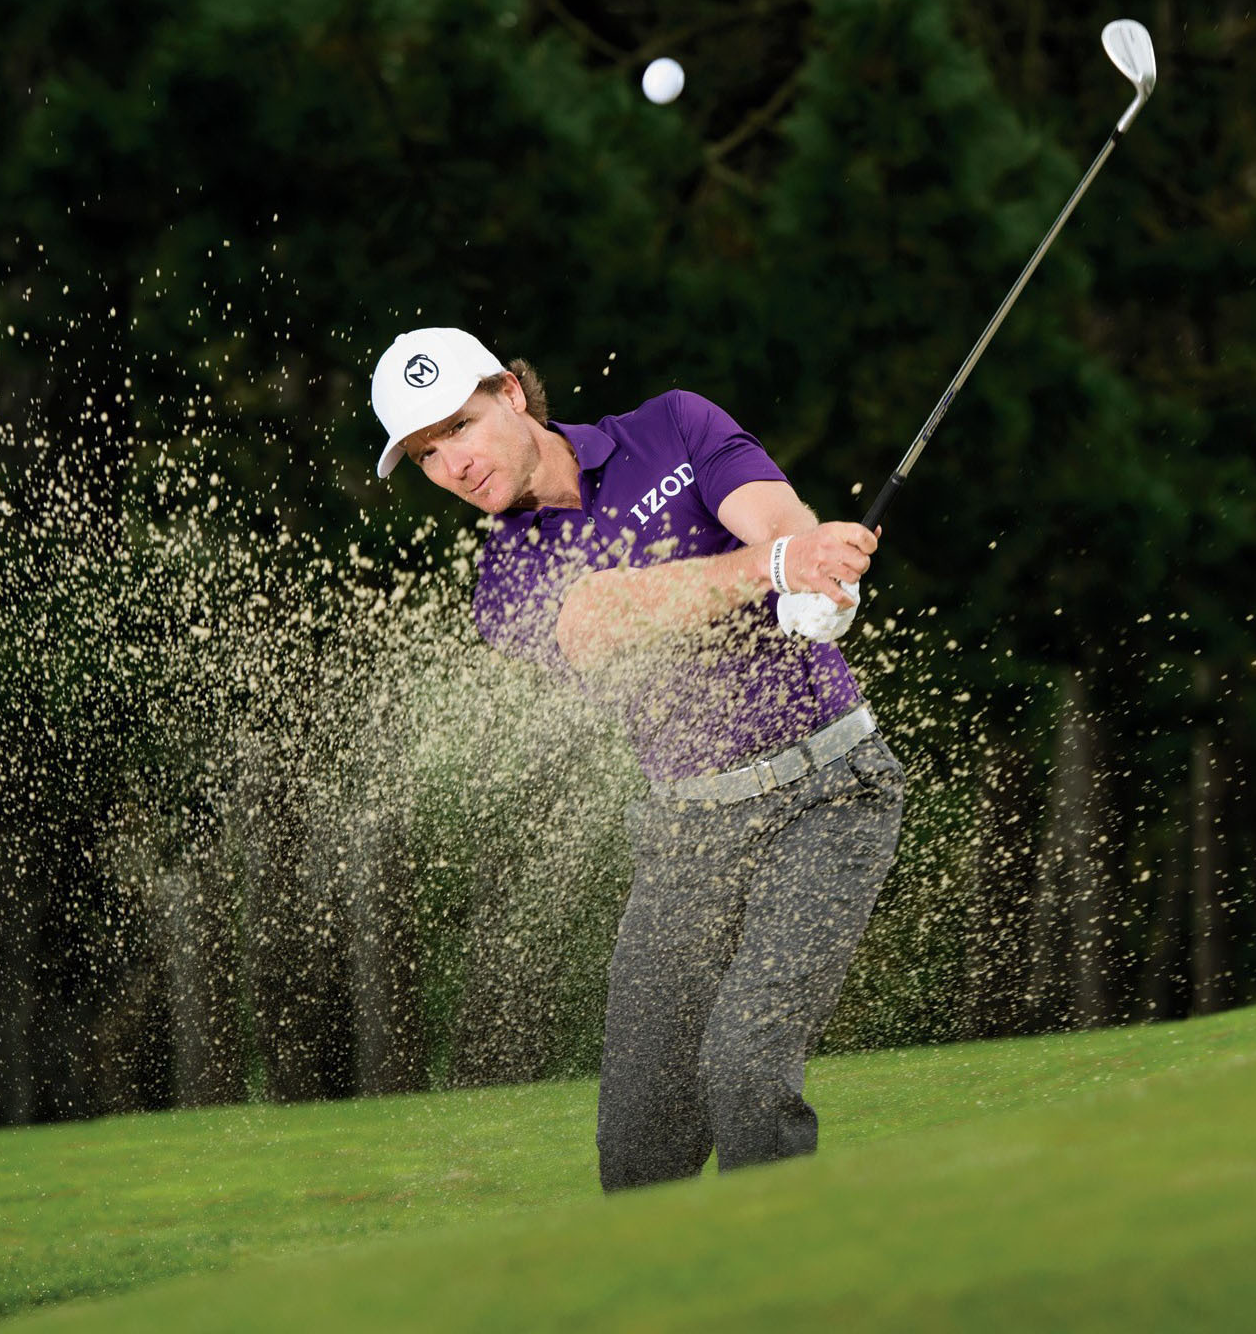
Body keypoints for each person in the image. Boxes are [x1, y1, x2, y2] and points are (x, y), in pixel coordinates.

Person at [369, 325, 904, 1192]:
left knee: (746, 1070)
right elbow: (603, 616)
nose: (453, 466)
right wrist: (772, 568)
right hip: (686, 833)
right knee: (639, 1139)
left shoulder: (672, 426)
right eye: (427, 455)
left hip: (829, 794)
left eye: (458, 427)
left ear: (511, 393)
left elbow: (771, 518)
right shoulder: (504, 586)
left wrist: (810, 572)